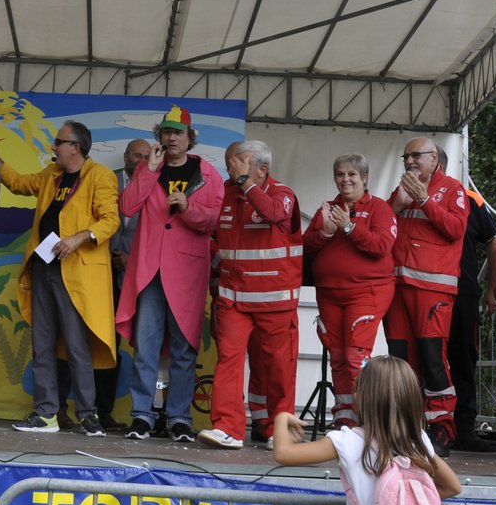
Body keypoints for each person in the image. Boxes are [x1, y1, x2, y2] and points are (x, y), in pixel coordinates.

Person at [0, 122, 118, 435]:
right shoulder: (51, 174)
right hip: (44, 267)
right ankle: (46, 414)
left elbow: (110, 220)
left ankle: (87, 415)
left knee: (76, 345)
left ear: (76, 147)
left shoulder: (100, 176)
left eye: (58, 142)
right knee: (41, 343)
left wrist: (78, 238)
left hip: (76, 272)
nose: (53, 147)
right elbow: (17, 183)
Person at [271, 356, 461, 505]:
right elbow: (453, 487)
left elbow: (283, 453)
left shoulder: (346, 441)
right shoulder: (418, 440)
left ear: (360, 396)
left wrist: (282, 418)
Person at [116, 105, 225, 442]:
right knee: (145, 349)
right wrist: (147, 170)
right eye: (166, 131)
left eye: (178, 132)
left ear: (190, 138)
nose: (172, 137)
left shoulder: (207, 174)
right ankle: (142, 416)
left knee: (184, 349)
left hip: (188, 271)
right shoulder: (149, 169)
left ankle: (179, 417)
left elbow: (214, 220)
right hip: (150, 269)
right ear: (159, 136)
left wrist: (188, 208)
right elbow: (127, 207)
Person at [199, 140, 302, 449]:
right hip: (233, 298)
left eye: (240, 163)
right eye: (231, 163)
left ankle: (278, 429)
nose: (232, 168)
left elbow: (271, 214)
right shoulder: (227, 195)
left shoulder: (282, 194)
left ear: (262, 169)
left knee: (278, 366)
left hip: (274, 299)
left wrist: (245, 184)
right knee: (228, 360)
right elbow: (212, 232)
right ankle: (228, 427)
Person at [385, 137, 467, 456]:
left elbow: (455, 229)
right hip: (398, 286)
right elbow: (385, 226)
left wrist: (424, 200)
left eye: (416, 155)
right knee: (401, 360)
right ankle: (407, 426)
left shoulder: (452, 188)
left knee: (433, 357)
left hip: (432, 288)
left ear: (434, 158)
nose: (409, 161)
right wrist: (395, 205)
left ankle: (441, 428)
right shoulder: (402, 188)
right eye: (405, 156)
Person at [304, 153, 397, 429]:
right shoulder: (328, 208)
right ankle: (345, 414)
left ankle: (366, 416)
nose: (345, 179)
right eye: (340, 174)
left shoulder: (380, 208)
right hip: (329, 292)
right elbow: (306, 246)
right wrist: (326, 232)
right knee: (339, 354)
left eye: (352, 174)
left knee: (356, 355)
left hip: (367, 291)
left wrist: (348, 226)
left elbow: (381, 246)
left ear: (365, 178)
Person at [94, 138, 150, 431]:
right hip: (100, 275)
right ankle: (92, 411)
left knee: (142, 345)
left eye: (146, 156)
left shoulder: (155, 184)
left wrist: (132, 260)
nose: (140, 161)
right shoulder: (107, 180)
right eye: (136, 155)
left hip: (136, 277)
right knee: (102, 344)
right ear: (126, 156)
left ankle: (109, 411)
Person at [448, 169, 496, 453]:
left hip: (463, 293)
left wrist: (493, 288)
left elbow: (493, 241)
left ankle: (465, 429)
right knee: (427, 361)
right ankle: (423, 427)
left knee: (463, 358)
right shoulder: (407, 195)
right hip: (424, 293)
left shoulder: (470, 199)